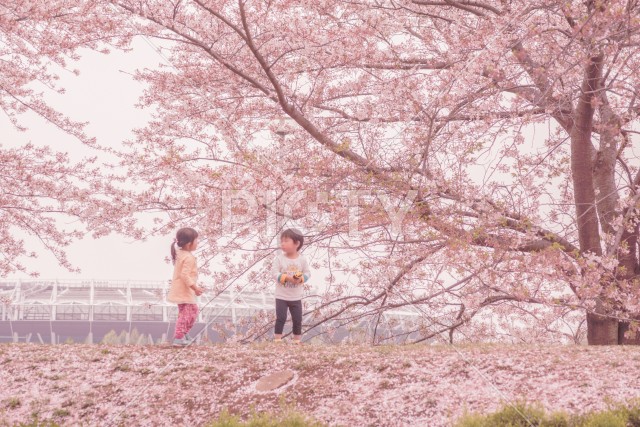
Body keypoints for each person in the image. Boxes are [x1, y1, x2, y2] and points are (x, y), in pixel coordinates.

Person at [271, 228, 310, 344]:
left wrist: (300, 279)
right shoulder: (279, 259)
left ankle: (296, 341)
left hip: (296, 297)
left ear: (297, 243)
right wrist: (287, 278)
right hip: (281, 296)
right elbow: (274, 273)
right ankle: (277, 340)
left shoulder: (302, 260)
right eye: (281, 241)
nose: (282, 244)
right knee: (281, 318)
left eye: (286, 241)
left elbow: (307, 273)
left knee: (297, 319)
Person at [168, 227, 204, 346]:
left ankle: (184, 334)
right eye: (196, 240)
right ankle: (179, 337)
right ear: (189, 244)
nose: (198, 243)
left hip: (180, 289)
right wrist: (195, 288)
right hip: (184, 290)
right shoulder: (188, 257)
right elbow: (185, 275)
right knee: (189, 313)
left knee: (189, 312)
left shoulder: (181, 253)